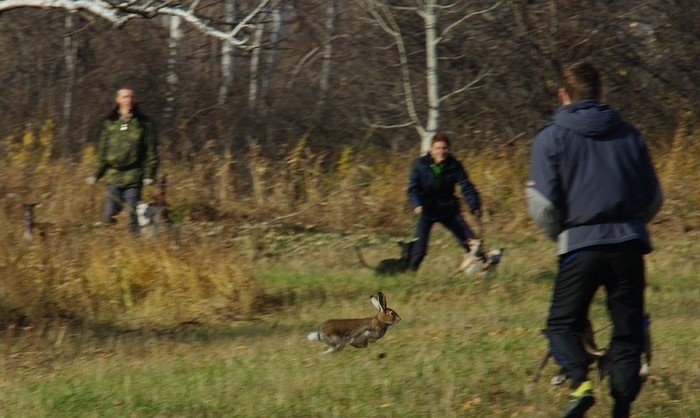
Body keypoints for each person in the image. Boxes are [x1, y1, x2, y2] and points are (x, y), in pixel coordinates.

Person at [526, 61, 662, 418]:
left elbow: (542, 205)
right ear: (602, 94)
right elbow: (652, 198)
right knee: (628, 330)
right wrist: (631, 226)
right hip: (629, 246)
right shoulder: (631, 135)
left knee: (561, 324)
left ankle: (579, 383)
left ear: (562, 95)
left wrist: (564, 235)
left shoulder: (550, 137)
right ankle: (621, 404)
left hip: (579, 246)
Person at [87, 87, 159, 235]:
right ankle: (109, 248)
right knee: (108, 217)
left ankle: (136, 249)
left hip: (133, 177)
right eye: (125, 97)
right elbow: (103, 151)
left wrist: (149, 175)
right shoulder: (110, 123)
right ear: (118, 100)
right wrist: (96, 174)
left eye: (131, 97)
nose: (129, 100)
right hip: (113, 177)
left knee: (133, 217)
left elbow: (151, 152)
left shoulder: (144, 124)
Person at [407, 132, 481, 271]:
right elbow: (413, 188)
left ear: (449, 149)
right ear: (431, 150)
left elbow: (466, 186)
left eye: (444, 148)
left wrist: (474, 205)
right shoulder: (420, 165)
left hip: (448, 209)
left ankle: (483, 267)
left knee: (471, 243)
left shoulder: (455, 165)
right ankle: (409, 274)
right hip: (426, 210)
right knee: (419, 250)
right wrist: (416, 204)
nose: (441, 152)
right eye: (438, 148)